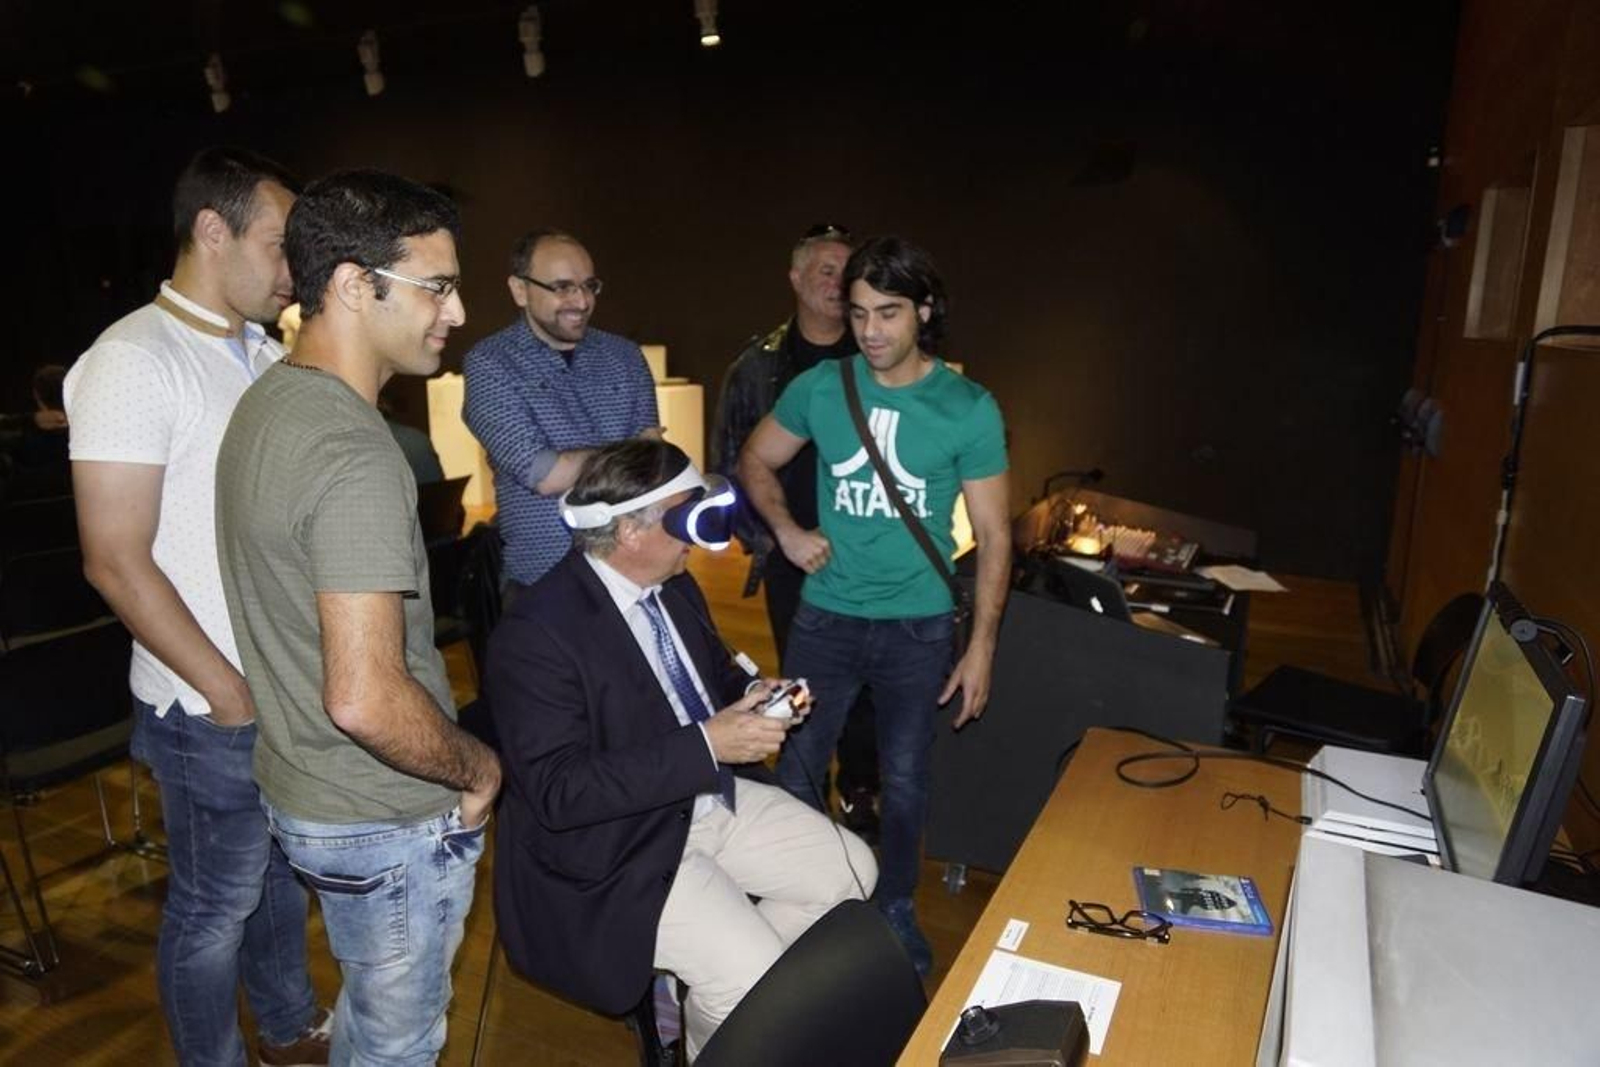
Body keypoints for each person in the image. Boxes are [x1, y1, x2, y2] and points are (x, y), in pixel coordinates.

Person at [214, 170, 501, 1065]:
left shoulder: (267, 402)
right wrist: (477, 764)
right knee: (398, 1043)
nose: (455, 311)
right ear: (350, 284)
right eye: (438, 286)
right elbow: (366, 696)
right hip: (380, 814)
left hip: (307, 791)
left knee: (371, 1021)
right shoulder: (352, 449)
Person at [63, 147, 329, 1066]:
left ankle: (289, 1026)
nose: (296, 268)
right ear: (211, 232)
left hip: (280, 685)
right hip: (206, 698)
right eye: (279, 244)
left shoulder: (261, 350)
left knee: (280, 883)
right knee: (215, 906)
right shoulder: (133, 359)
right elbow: (113, 559)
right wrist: (227, 690)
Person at [488, 437, 876, 1061]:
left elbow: (712, 682)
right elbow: (561, 792)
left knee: (852, 871)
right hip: (620, 846)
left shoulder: (674, 587)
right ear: (630, 533)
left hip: (701, 797)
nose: (700, 537)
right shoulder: (538, 635)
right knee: (752, 981)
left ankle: (713, 1012)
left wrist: (755, 694)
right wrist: (707, 744)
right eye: (685, 517)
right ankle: (736, 1011)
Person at [738, 236, 1012, 975]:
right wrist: (788, 532)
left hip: (919, 627)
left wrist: (982, 645)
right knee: (796, 768)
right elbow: (755, 459)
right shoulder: (821, 388)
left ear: (924, 310)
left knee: (907, 775)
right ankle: (791, 905)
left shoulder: (967, 406)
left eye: (888, 313)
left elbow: (993, 534)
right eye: (858, 313)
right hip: (824, 618)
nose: (871, 331)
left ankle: (894, 905)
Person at [709, 223, 884, 840]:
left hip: (866, 552)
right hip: (792, 555)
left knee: (868, 678)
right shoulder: (755, 367)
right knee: (805, 674)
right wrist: (770, 538)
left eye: (846, 271)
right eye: (825, 271)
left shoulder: (875, 361)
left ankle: (861, 789)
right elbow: (733, 458)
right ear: (796, 278)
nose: (837, 283)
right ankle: (805, 791)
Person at [462, 230, 660, 594]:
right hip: (544, 580)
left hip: (635, 569)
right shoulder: (490, 365)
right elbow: (545, 474)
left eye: (589, 286)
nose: (581, 301)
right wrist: (631, 453)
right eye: (563, 287)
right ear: (520, 290)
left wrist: (628, 457)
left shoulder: (626, 356)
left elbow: (653, 464)